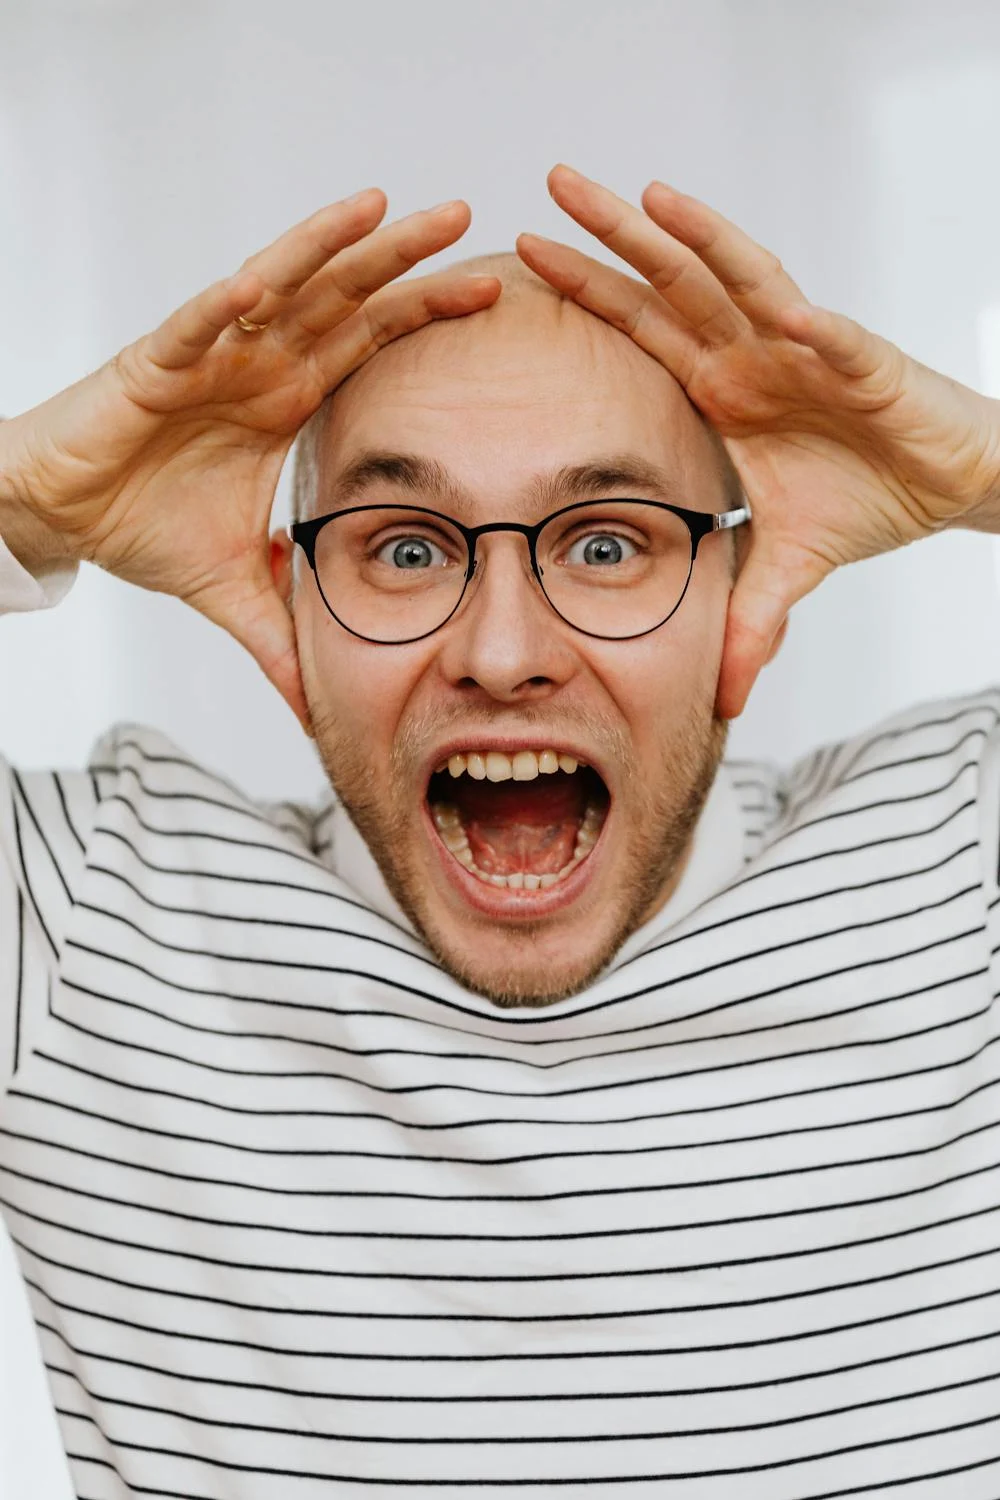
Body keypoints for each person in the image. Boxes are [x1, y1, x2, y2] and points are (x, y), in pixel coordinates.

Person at [1, 162, 999, 1498]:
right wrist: (20, 504)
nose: (505, 650)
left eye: (606, 543)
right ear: (293, 597)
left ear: (740, 581)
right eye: (406, 548)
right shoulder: (84, 929)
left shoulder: (959, 870)